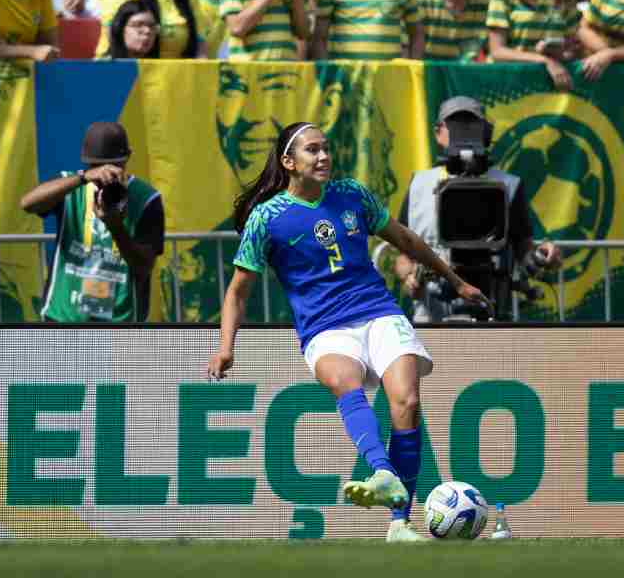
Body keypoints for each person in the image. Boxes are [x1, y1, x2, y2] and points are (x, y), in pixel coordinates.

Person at [208, 122, 487, 542]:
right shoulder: (266, 219)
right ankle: (380, 471)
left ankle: (398, 523)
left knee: (406, 402)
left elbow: (405, 239)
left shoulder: (352, 194)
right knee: (346, 383)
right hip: (323, 327)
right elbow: (236, 293)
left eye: (326, 148)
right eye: (312, 151)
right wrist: (226, 347)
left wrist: (456, 280)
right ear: (289, 162)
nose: (323, 157)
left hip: (378, 312)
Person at [386, 96, 549, 319]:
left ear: (486, 131)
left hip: (492, 307)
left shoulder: (509, 185)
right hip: (432, 312)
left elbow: (523, 247)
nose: (462, 131)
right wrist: (408, 276)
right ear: (438, 133)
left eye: (470, 124)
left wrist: (541, 255)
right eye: (454, 124)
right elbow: (402, 253)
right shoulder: (419, 185)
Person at [21, 122, 165, 322]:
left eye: (114, 166)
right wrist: (83, 178)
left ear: (129, 156)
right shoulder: (69, 188)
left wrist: (116, 228)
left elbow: (143, 266)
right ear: (85, 162)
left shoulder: (146, 199)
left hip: (119, 324)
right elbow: (27, 203)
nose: (105, 175)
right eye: (97, 166)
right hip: (64, 317)